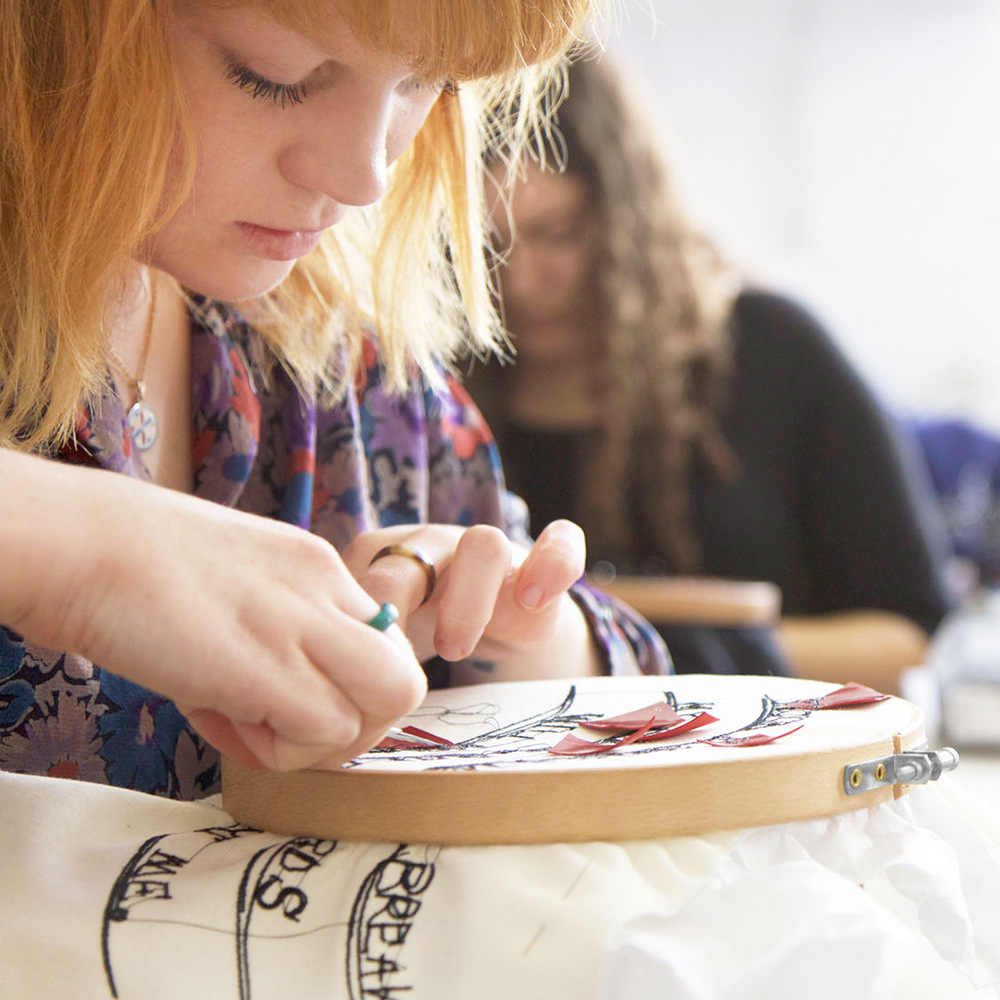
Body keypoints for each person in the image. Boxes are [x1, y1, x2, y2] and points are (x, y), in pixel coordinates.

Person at [0, 0, 670, 800]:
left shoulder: (340, 360)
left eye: (427, 83)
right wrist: (87, 548)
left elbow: (637, 686)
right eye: (273, 76)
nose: (365, 177)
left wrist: (523, 635)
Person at [471, 51, 955, 693]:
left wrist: (659, 655)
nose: (520, 281)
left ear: (628, 219)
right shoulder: (436, 393)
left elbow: (910, 636)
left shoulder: (774, 350)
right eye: (487, 246)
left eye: (558, 233)